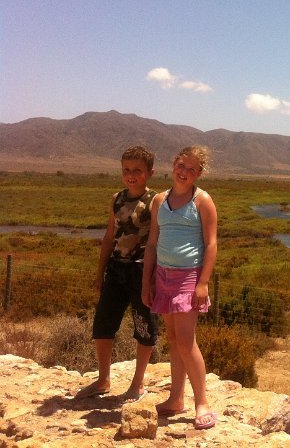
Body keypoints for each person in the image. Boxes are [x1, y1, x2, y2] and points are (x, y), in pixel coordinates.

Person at [142, 146, 218, 430]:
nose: (184, 172)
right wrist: (146, 281)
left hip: (188, 277)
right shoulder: (159, 200)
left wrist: (203, 283)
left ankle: (202, 403)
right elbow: (152, 243)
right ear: (173, 164)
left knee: (186, 341)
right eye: (181, 166)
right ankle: (176, 398)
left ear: (199, 173)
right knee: (173, 339)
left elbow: (211, 244)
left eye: (192, 169)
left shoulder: (202, 201)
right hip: (163, 276)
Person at [75, 145, 159, 402]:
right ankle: (103, 380)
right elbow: (109, 236)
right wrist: (100, 273)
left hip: (141, 270)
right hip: (116, 268)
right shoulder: (117, 199)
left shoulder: (155, 201)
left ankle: (138, 384)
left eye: (137, 170)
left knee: (144, 325)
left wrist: (153, 277)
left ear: (149, 172)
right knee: (103, 323)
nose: (131, 175)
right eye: (126, 170)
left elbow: (157, 240)